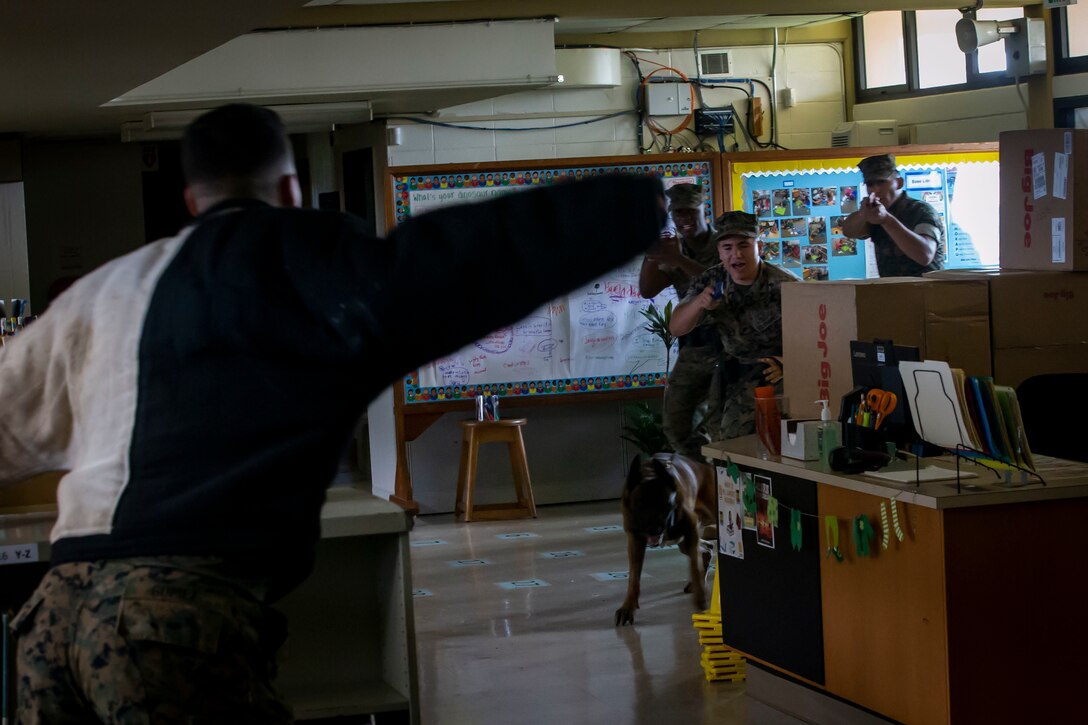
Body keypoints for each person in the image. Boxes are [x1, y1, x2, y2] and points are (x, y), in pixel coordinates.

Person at [0, 103, 666, 722]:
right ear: (290, 191)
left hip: (48, 622)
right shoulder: (307, 261)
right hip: (168, 620)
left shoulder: (102, 291)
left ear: (189, 202)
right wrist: (635, 206)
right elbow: (462, 260)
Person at [669, 211, 798, 442]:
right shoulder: (711, 279)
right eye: (727, 247)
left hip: (777, 376)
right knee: (722, 444)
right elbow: (676, 327)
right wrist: (699, 303)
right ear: (719, 252)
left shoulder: (786, 285)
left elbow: (818, 337)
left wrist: (789, 364)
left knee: (771, 443)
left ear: (759, 246)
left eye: (744, 245)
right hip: (732, 374)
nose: (736, 255)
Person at [638, 183, 721, 458]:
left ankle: (725, 483)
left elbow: (721, 282)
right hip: (694, 349)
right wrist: (652, 256)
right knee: (676, 425)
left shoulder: (723, 244)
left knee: (726, 428)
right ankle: (705, 478)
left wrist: (678, 259)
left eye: (689, 212)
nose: (683, 219)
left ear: (702, 209)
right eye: (678, 213)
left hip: (729, 347)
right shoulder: (676, 247)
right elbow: (648, 289)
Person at [842, 154, 945, 277]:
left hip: (928, 292)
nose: (876, 190)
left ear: (899, 183)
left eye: (881, 182)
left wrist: (886, 220)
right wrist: (863, 214)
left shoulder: (921, 211)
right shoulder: (874, 212)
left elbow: (925, 255)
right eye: (870, 184)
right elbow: (849, 231)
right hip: (892, 292)